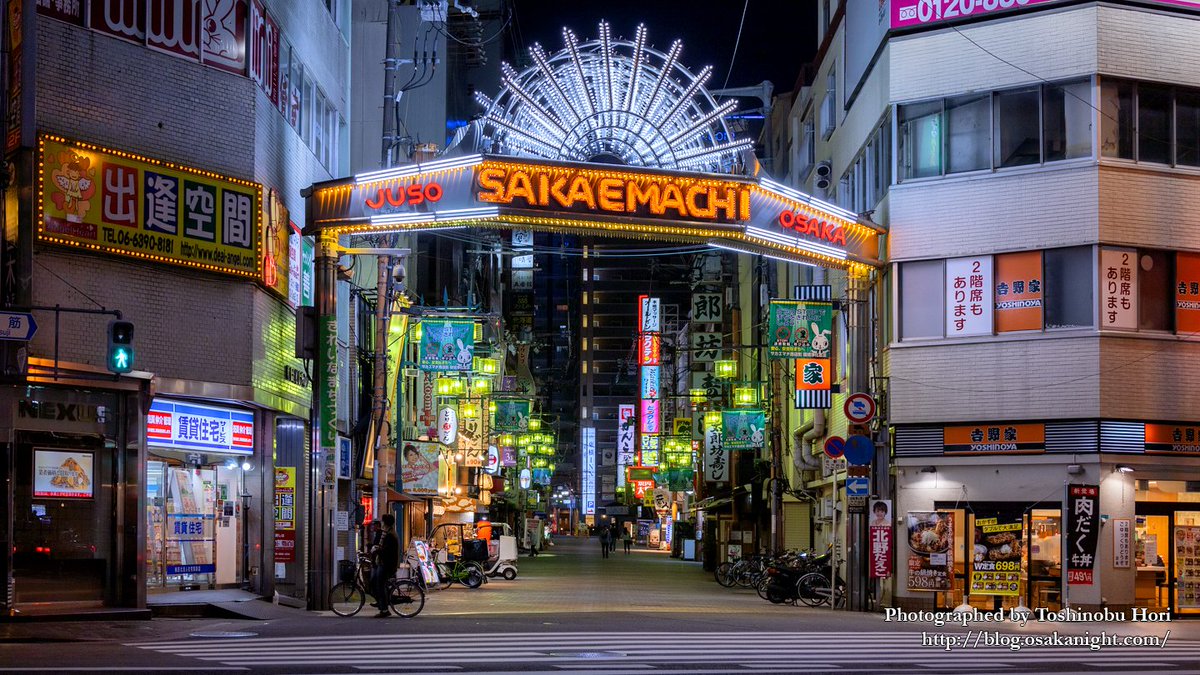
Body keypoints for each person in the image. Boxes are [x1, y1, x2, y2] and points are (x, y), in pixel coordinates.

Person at [372, 513, 399, 617]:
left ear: (385, 523)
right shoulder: (387, 533)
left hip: (387, 564)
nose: (381, 523)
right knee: (377, 583)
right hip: (385, 563)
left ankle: (384, 609)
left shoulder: (390, 535)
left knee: (380, 585)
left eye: (382, 522)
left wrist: (377, 550)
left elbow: (387, 551)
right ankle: (382, 604)